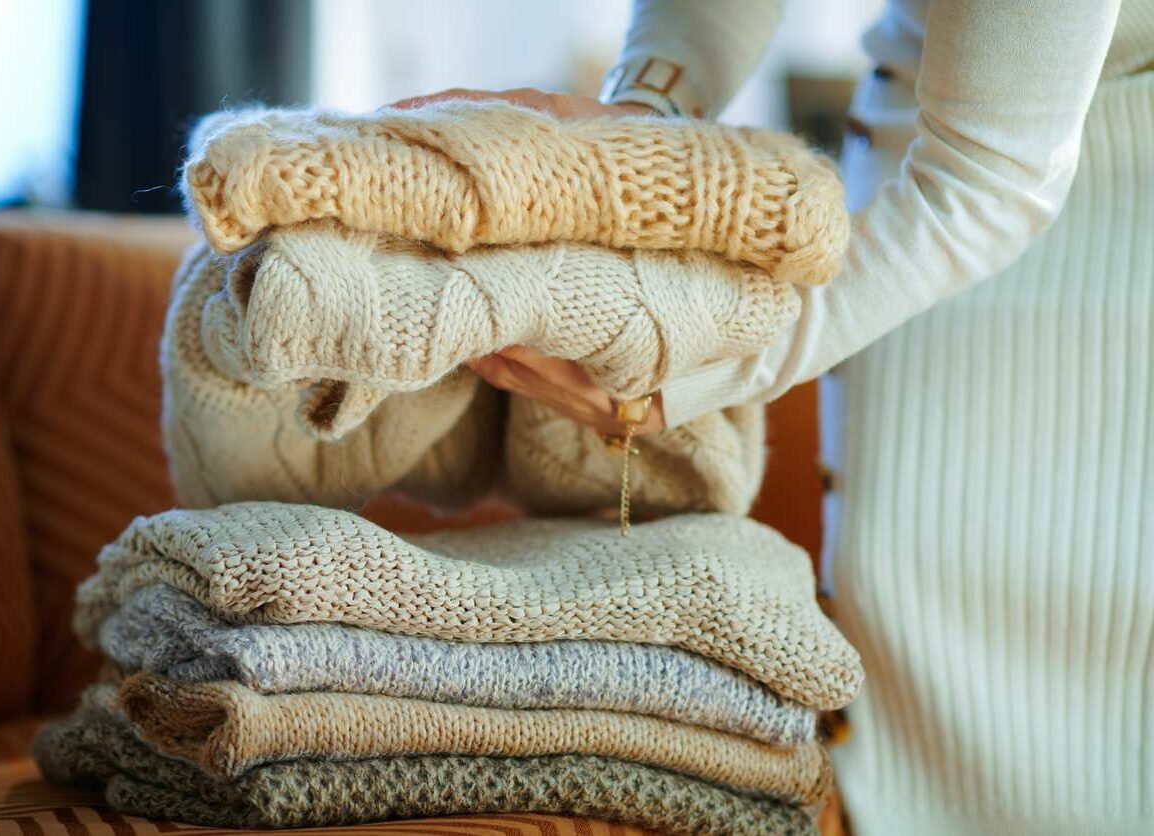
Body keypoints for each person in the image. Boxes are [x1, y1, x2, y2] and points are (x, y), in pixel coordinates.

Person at [395, 1, 1154, 833]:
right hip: (910, 187)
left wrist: (689, 367)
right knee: (897, 629)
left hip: (1083, 222)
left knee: (1066, 666)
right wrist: (641, 121)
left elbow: (992, 176)